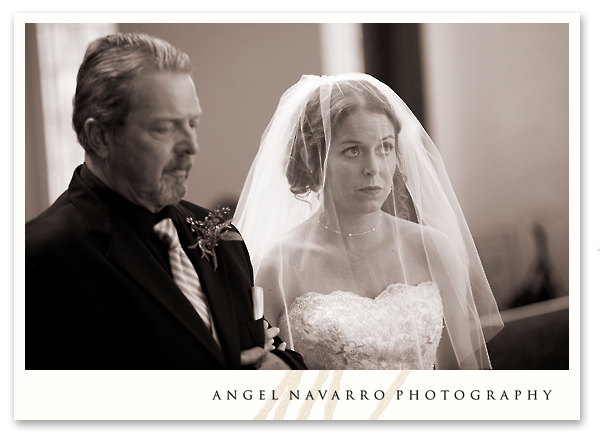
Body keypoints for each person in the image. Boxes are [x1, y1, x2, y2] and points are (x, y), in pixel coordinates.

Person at [25, 32, 305, 370]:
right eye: (164, 128)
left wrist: (283, 367)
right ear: (100, 136)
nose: (191, 145)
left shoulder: (221, 236)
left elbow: (260, 352)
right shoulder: (39, 259)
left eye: (192, 124)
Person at [233, 73, 504, 370]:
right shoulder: (277, 267)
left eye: (385, 148)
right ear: (315, 159)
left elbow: (462, 374)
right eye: (353, 150)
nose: (373, 168)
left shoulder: (431, 248)